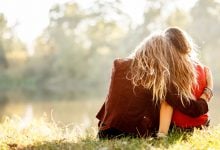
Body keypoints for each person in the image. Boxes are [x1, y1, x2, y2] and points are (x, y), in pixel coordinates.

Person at [96, 31, 211, 139]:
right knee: (166, 104)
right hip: (135, 133)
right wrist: (208, 90)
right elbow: (193, 109)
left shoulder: (119, 65)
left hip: (105, 131)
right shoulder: (159, 76)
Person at [158, 27, 213, 137]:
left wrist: (162, 135)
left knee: (166, 99)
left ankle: (162, 133)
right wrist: (209, 88)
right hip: (203, 125)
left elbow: (167, 105)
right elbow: (205, 100)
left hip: (181, 129)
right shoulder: (203, 69)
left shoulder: (170, 72)